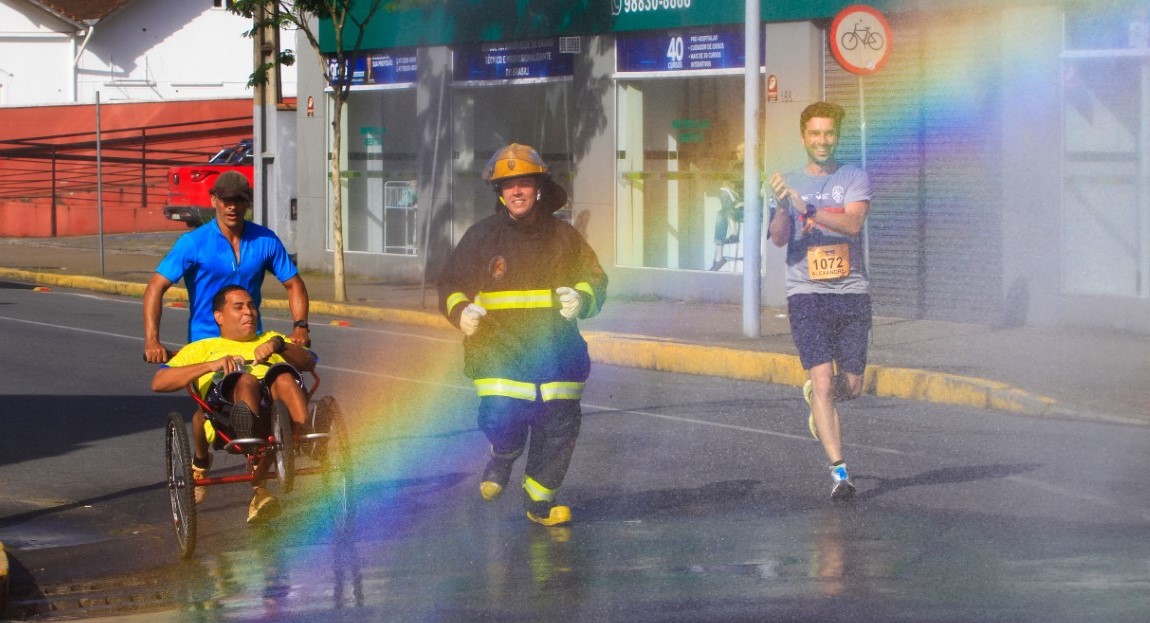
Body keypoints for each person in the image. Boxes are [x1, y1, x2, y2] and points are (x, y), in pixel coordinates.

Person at [438, 143, 608, 527]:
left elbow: (596, 277)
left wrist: (582, 299)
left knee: (559, 428)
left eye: (525, 184)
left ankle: (539, 504)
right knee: (500, 414)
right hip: (499, 351)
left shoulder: (565, 237)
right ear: (499, 192)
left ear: (539, 188)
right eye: (508, 185)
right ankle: (505, 450)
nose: (516, 192)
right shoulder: (481, 237)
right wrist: (460, 310)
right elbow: (451, 282)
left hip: (557, 352)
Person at [143, 170, 311, 501]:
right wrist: (152, 339)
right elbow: (155, 288)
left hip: (251, 340)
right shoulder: (193, 243)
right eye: (225, 200)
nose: (231, 207)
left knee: (265, 391)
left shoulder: (264, 240)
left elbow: (294, 283)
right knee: (209, 407)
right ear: (214, 201)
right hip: (206, 343)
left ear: (247, 203)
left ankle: (262, 481)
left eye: (238, 200)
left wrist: (300, 326)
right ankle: (202, 459)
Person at [767, 102, 872, 501]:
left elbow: (853, 223)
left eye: (829, 133)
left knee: (852, 386)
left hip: (851, 293)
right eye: (815, 134)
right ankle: (840, 474)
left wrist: (808, 208)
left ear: (837, 136)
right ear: (803, 137)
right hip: (806, 293)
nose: (822, 141)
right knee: (824, 379)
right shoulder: (787, 181)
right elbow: (779, 238)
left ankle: (817, 396)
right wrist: (781, 206)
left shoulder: (853, 177)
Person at [152, 285, 318, 523]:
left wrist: (278, 346)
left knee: (282, 375)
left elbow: (309, 362)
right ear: (219, 317)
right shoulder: (203, 348)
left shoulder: (271, 338)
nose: (248, 312)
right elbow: (159, 382)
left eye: (251, 306)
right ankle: (247, 431)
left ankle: (305, 434)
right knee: (245, 379)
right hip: (227, 415)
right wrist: (212, 365)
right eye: (238, 307)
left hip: (276, 409)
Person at [710, 143, 745, 271]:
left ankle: (719, 258)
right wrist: (728, 186)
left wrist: (745, 203)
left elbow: (761, 192)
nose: (738, 155)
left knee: (722, 214)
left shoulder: (757, 167)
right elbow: (729, 182)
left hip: (749, 207)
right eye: (736, 152)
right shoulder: (735, 167)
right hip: (735, 205)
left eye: (740, 151)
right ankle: (719, 257)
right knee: (724, 197)